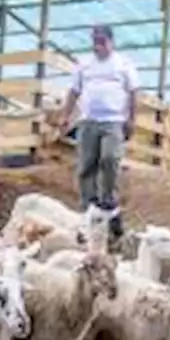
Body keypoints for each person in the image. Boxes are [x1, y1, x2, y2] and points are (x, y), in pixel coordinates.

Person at [53, 24, 140, 240]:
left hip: (113, 121)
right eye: (95, 42)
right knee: (86, 165)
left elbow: (133, 92)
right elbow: (74, 91)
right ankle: (88, 207)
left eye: (102, 42)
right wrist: (65, 115)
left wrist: (132, 119)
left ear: (111, 42)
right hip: (88, 121)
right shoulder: (84, 64)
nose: (98, 46)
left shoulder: (123, 64)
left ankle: (108, 201)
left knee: (110, 158)